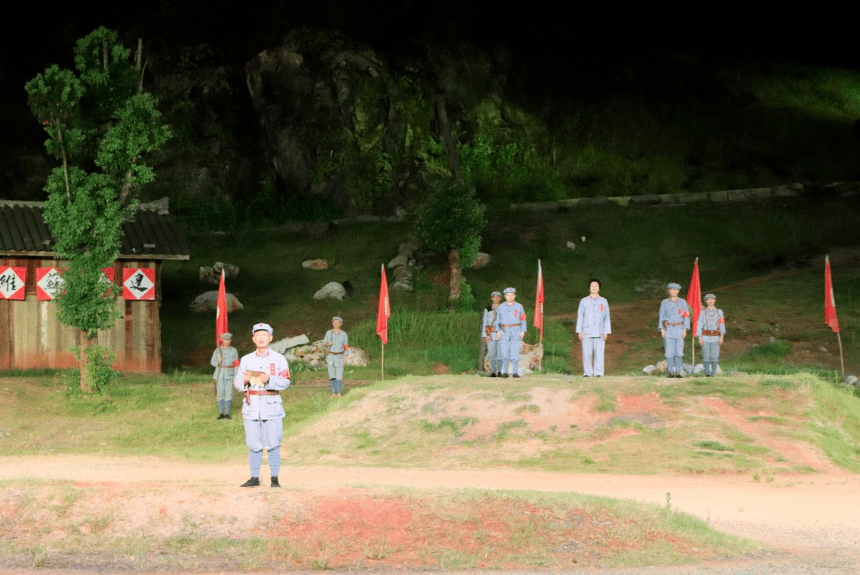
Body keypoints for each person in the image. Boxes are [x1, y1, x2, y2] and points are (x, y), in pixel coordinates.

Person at [234, 322, 291, 488]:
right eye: (258, 335)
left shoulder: (279, 359)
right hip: (252, 406)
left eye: (264, 335)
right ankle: (253, 478)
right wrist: (244, 380)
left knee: (273, 443)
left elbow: (286, 381)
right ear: (253, 339)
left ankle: (274, 479)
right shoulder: (246, 360)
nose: (261, 338)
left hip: (271, 405)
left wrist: (270, 380)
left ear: (271, 338)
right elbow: (237, 383)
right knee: (254, 444)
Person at [576, 279, 611, 377]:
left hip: (599, 332)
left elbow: (606, 317)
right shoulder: (584, 301)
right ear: (589, 288)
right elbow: (580, 316)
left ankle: (598, 372)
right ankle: (587, 372)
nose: (594, 288)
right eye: (592, 286)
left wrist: (606, 331)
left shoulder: (604, 301)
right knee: (587, 354)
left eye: (596, 286)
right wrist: (579, 331)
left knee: (599, 354)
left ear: (599, 288)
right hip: (587, 331)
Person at [494, 287, 527, 378]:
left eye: (512, 295)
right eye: (508, 295)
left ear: (515, 296)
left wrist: (523, 331)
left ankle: (515, 372)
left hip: (516, 330)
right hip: (504, 331)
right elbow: (498, 320)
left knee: (515, 352)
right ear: (505, 296)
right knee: (505, 352)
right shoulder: (501, 306)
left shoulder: (519, 306)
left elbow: (523, 319)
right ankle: (505, 372)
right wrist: (498, 331)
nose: (510, 297)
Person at [658, 282, 690, 378]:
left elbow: (686, 316)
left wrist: (685, 329)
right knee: (669, 351)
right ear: (669, 290)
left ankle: (679, 371)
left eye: (675, 290)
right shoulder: (664, 302)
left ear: (678, 291)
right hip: (668, 329)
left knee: (679, 351)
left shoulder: (682, 302)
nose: (673, 291)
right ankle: (671, 371)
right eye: (671, 289)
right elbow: (662, 316)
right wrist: (662, 329)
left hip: (679, 328)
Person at [210, 332, 239, 419]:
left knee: (228, 393)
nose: (226, 341)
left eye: (228, 340)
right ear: (222, 340)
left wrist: (236, 376)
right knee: (220, 393)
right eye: (225, 339)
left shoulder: (234, 350)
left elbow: (236, 364)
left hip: (230, 374)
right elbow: (212, 362)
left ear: (231, 340)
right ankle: (220, 413)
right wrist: (218, 361)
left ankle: (226, 413)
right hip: (220, 374)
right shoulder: (217, 350)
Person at [696, 293, 726, 377]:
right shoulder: (703, 312)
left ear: (715, 300)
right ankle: (707, 373)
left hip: (716, 336)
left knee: (714, 356)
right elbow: (699, 325)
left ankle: (713, 373)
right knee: (706, 356)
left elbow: (721, 324)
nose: (710, 301)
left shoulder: (719, 312)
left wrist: (722, 336)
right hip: (705, 336)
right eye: (708, 299)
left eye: (712, 299)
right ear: (706, 301)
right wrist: (700, 337)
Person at [323, 316, 349, 397]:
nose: (336, 324)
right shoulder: (328, 333)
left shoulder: (344, 334)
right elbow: (324, 343)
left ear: (340, 324)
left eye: (338, 322)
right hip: (330, 356)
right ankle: (333, 392)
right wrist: (328, 343)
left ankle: (339, 393)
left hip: (340, 356)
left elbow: (345, 346)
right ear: (332, 323)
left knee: (339, 375)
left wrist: (346, 357)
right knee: (331, 375)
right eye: (334, 322)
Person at [481, 291, 502, 376]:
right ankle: (493, 371)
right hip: (491, 334)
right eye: (494, 297)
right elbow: (485, 322)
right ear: (492, 298)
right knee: (492, 353)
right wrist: (485, 335)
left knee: (500, 354)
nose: (496, 299)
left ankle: (500, 371)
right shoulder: (488, 308)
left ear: (500, 299)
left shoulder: (503, 308)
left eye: (497, 297)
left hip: (501, 333)